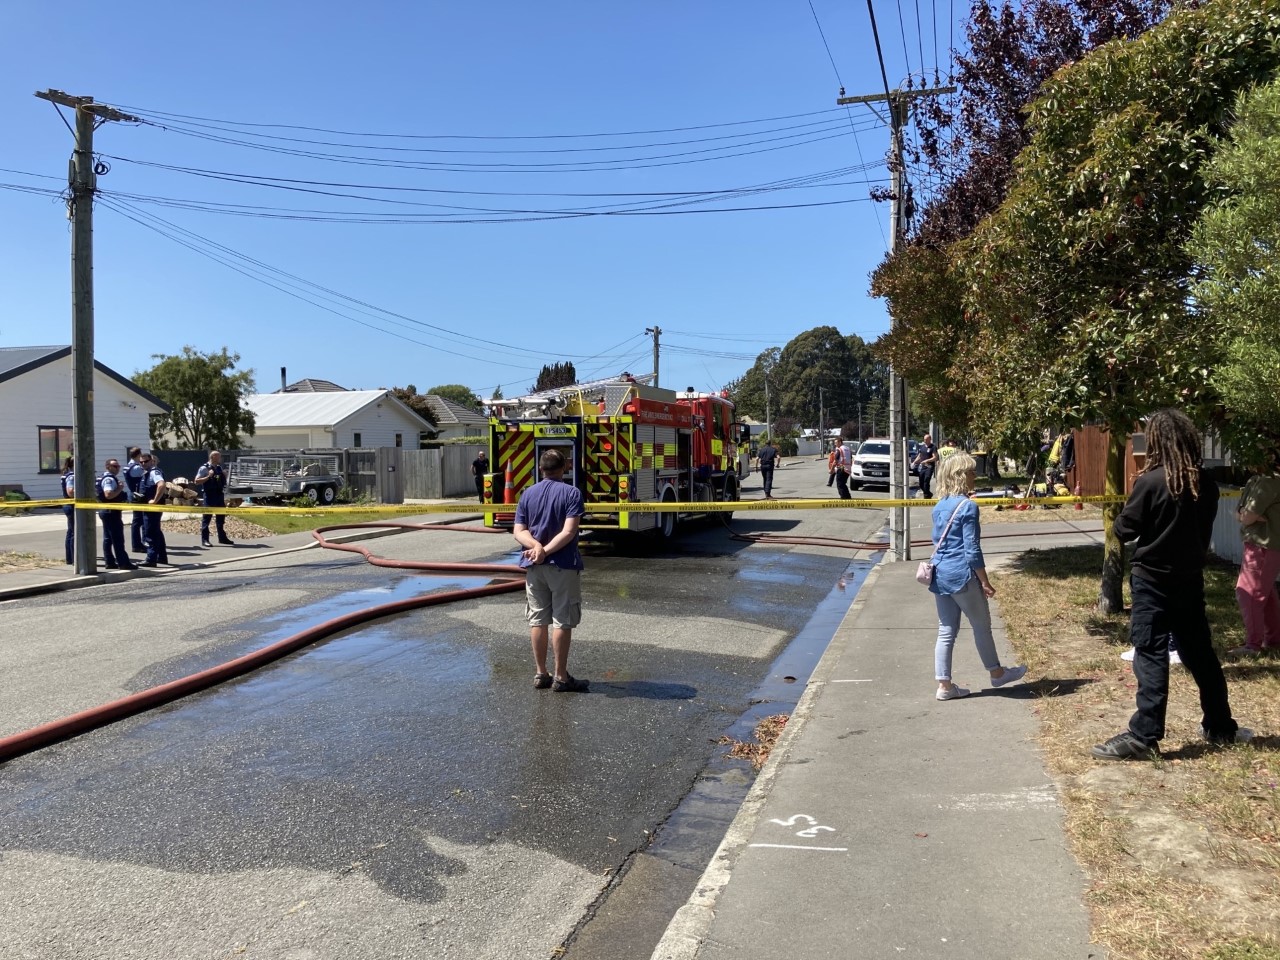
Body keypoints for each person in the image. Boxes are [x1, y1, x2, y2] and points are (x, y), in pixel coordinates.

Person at [1092, 409, 1248, 760]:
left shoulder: (1150, 482)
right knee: (1201, 655)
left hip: (1152, 583)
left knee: (1150, 653)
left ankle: (1144, 736)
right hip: (1189, 581)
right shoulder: (1204, 484)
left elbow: (1125, 529)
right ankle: (1220, 726)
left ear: (1159, 442)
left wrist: (1120, 519)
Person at [928, 452, 1028, 701]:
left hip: (939, 573)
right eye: (972, 472)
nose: (976, 476)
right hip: (962, 574)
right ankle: (997, 673)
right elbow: (971, 550)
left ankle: (945, 685)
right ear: (961, 476)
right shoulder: (968, 506)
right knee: (981, 625)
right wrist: (985, 581)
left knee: (946, 630)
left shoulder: (939, 505)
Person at [513, 449, 588, 693]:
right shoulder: (572, 493)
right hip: (563, 565)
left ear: (540, 468)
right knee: (562, 621)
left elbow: (518, 530)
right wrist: (543, 549)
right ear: (565, 467)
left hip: (534, 567)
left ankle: (540, 673)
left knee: (537, 620)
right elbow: (569, 531)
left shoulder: (528, 494)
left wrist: (535, 547)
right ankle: (560, 677)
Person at [1233, 455, 1280, 655]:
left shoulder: (1270, 481)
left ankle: (1253, 645)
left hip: (1263, 545)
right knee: (1266, 594)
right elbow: (1241, 515)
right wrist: (1247, 516)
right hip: (1259, 543)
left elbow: (1245, 516)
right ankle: (1274, 639)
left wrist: (1247, 515)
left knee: (1248, 593)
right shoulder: (1256, 480)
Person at [96, 458, 136, 570]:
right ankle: (123, 562)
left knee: (108, 538)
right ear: (108, 467)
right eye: (115, 466)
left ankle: (110, 562)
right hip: (111, 511)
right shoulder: (109, 479)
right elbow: (108, 494)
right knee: (117, 538)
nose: (118, 468)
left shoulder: (103, 477)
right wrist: (120, 489)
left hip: (106, 510)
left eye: (118, 466)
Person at [194, 450, 234, 547]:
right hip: (209, 496)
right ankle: (205, 540)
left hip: (219, 495)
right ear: (213, 457)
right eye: (218, 457)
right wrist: (208, 476)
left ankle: (222, 538)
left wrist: (225, 476)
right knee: (207, 518)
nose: (220, 458)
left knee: (221, 517)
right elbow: (196, 481)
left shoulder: (219, 468)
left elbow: (222, 482)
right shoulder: (204, 468)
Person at [138, 452, 169, 567]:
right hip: (148, 507)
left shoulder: (154, 472)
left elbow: (161, 485)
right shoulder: (146, 473)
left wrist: (154, 500)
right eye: (141, 462)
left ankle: (151, 559)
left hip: (152, 508)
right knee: (156, 532)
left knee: (150, 533)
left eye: (145, 461)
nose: (143, 464)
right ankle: (161, 557)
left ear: (151, 461)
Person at [125, 446, 148, 553]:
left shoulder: (129, 466)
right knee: (138, 520)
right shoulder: (137, 468)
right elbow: (146, 476)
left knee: (138, 520)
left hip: (133, 494)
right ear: (138, 455)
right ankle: (137, 544)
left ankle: (139, 543)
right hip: (138, 495)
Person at [913, 434, 939, 499]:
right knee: (921, 483)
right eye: (924, 439)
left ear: (930, 439)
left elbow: (935, 457)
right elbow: (919, 456)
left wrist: (927, 460)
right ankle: (929, 493)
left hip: (929, 466)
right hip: (922, 467)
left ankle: (926, 496)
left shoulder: (933, 447)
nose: (925, 440)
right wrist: (914, 462)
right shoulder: (922, 447)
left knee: (926, 480)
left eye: (926, 439)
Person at [60, 457, 76, 565]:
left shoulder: (68, 474)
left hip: (69, 505)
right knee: (74, 532)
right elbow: (70, 492)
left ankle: (70, 558)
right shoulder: (71, 476)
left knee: (71, 531)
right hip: (71, 505)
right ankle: (74, 558)